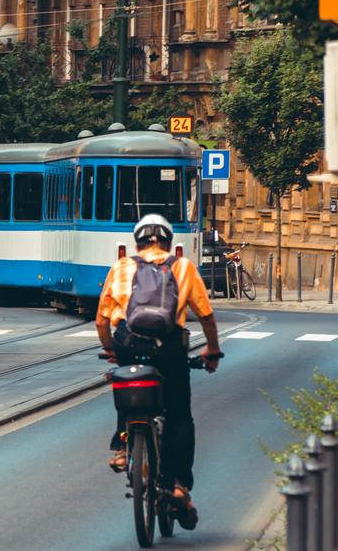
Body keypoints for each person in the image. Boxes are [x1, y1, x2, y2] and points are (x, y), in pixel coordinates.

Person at [96, 213, 221, 530]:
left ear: (137, 242)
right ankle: (178, 484)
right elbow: (205, 314)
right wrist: (212, 350)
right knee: (179, 413)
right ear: (167, 241)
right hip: (168, 347)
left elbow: (101, 319)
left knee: (126, 384)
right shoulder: (182, 267)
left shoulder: (122, 267)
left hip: (128, 340)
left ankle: (123, 446)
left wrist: (112, 350)